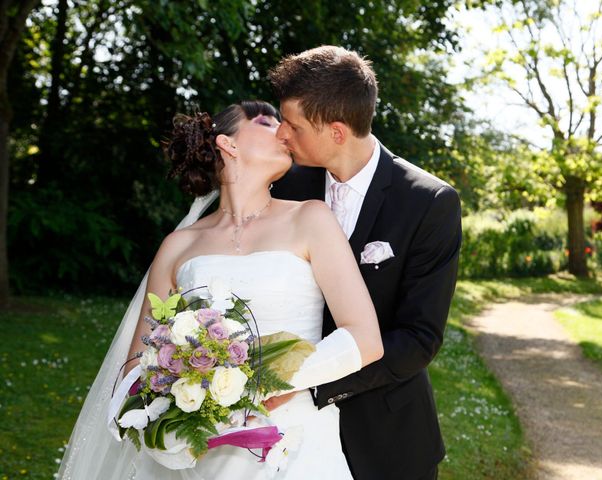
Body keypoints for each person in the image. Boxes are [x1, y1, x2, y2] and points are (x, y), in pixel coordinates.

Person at [57, 100, 383, 480]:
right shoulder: (178, 245)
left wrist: (255, 385)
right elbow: (134, 368)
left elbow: (365, 339)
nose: (283, 131)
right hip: (199, 450)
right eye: (268, 122)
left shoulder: (311, 218)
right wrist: (180, 405)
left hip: (293, 443)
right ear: (228, 144)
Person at [268, 46, 462, 480]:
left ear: (336, 132)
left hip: (388, 437)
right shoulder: (284, 188)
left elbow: (419, 338)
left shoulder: (430, 203)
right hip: (284, 437)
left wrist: (309, 379)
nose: (282, 134)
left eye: (294, 125)